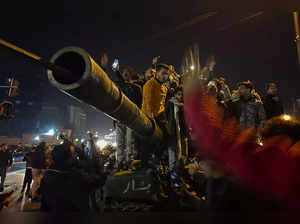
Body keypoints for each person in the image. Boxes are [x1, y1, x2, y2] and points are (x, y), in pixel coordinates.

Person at [140, 63, 170, 167]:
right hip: (148, 116)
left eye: (167, 74)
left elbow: (162, 104)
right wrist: (150, 117)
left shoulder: (164, 87)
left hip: (160, 115)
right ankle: (144, 164)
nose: (165, 76)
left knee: (167, 136)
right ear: (156, 73)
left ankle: (156, 157)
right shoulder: (149, 84)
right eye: (163, 73)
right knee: (147, 141)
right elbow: (148, 101)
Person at [165, 86, 187, 170]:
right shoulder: (170, 103)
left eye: (182, 95)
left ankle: (181, 170)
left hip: (182, 131)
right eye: (179, 94)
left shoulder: (184, 105)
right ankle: (172, 172)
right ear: (175, 94)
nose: (181, 97)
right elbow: (166, 116)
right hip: (172, 131)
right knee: (173, 152)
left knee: (183, 152)